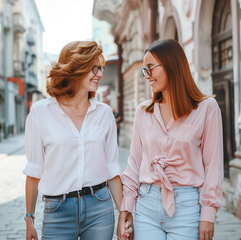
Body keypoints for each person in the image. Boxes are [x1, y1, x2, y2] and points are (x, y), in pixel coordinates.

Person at [23, 41, 132, 240]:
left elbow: (112, 167)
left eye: (101, 68)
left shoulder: (104, 113)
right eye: (94, 68)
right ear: (75, 68)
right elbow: (34, 170)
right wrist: (29, 218)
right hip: (58, 211)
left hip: (99, 207)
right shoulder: (41, 112)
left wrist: (124, 212)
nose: (99, 73)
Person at [117, 39, 223, 240]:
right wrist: (126, 209)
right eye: (144, 70)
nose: (147, 76)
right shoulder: (143, 111)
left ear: (171, 65)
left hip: (188, 207)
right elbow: (134, 164)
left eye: (150, 68)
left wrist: (208, 214)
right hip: (146, 205)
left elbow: (214, 167)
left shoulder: (207, 108)